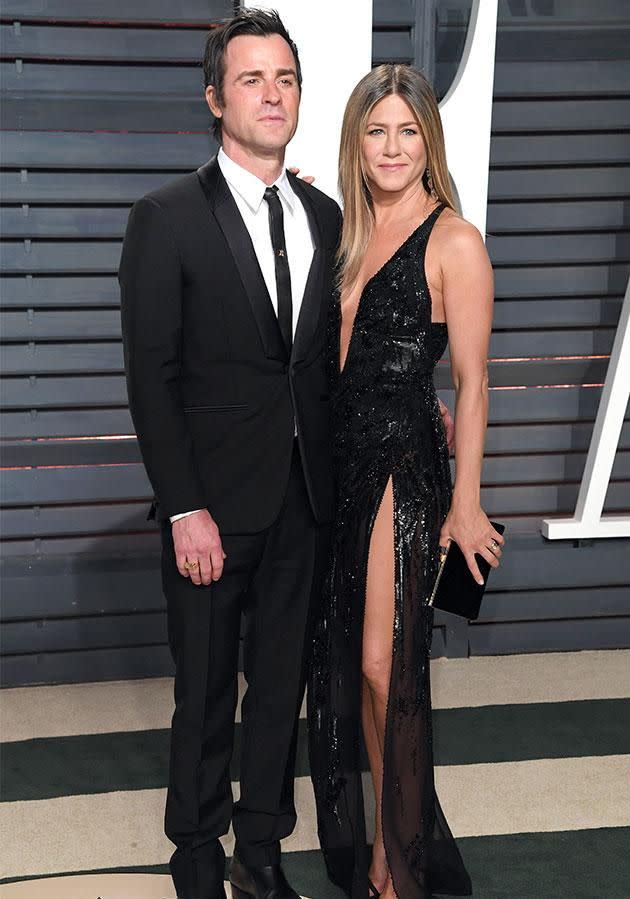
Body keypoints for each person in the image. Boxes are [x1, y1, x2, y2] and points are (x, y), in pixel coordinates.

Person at [118, 10, 343, 899]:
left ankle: (261, 848)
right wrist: (183, 506)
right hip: (208, 505)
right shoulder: (165, 218)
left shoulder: (325, 214)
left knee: (278, 688)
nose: (272, 93)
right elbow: (151, 376)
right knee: (206, 692)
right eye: (251, 79)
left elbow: (320, 361)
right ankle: (196, 853)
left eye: (284, 78)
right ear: (216, 98)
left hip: (302, 497)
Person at [308, 64, 506, 899]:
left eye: (407, 130)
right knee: (349, 667)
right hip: (334, 467)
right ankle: (386, 841)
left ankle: (402, 860)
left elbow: (474, 380)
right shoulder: (342, 232)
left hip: (401, 466)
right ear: (358, 141)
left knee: (386, 663)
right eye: (376, 130)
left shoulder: (453, 239)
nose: (391, 147)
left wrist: (465, 500)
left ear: (430, 140)